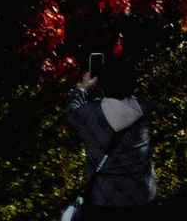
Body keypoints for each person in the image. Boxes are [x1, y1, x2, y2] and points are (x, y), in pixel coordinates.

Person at [63, 50, 156, 211]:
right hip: (142, 194)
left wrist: (83, 88)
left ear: (101, 83)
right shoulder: (144, 109)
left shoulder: (90, 114)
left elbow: (71, 111)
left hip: (103, 198)